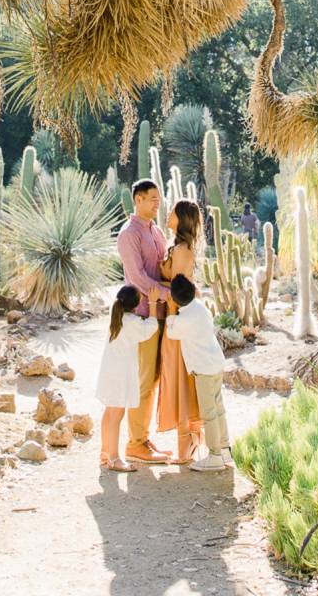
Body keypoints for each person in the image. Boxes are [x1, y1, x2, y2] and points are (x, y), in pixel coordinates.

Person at [115, 178, 172, 462]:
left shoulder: (157, 231)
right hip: (144, 315)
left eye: (158, 198)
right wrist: (169, 294)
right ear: (137, 199)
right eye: (151, 198)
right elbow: (137, 278)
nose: (156, 203)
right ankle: (135, 442)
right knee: (145, 380)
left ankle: (143, 438)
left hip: (162, 313)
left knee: (156, 378)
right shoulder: (128, 234)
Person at [165, 274, 231, 471]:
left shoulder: (183, 318)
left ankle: (215, 456)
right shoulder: (200, 307)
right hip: (216, 363)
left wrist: (170, 311)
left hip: (204, 370)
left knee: (208, 413)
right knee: (218, 408)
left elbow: (171, 332)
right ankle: (225, 448)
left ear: (175, 300)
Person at [156, 199, 205, 462]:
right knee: (177, 376)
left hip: (178, 318)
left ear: (182, 217)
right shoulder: (179, 247)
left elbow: (177, 288)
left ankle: (186, 446)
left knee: (179, 377)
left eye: (173, 211)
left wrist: (152, 283)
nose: (168, 214)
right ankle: (189, 441)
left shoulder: (183, 250)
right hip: (174, 316)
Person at [96, 283, 162, 471]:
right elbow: (151, 327)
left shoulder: (115, 315)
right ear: (135, 307)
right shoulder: (132, 323)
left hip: (109, 372)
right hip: (120, 375)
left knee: (109, 412)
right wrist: (152, 303)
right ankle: (114, 459)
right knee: (117, 415)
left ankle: (106, 451)